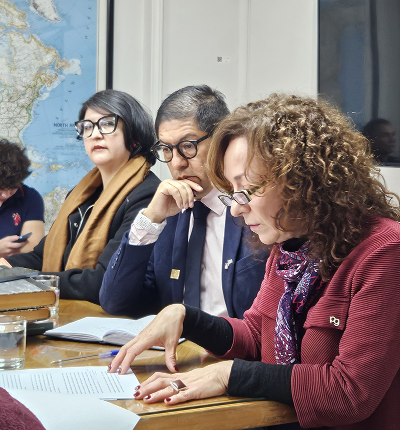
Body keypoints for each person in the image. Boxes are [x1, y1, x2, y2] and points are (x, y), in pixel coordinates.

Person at [109, 94, 400, 430]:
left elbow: (350, 393)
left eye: (247, 190)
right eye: (232, 192)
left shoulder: (385, 251)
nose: (235, 208)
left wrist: (228, 373)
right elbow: (257, 337)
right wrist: (187, 318)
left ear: (302, 181)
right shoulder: (290, 245)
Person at [100, 85, 269, 319]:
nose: (176, 163)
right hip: (179, 350)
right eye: (166, 150)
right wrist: (150, 219)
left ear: (221, 139)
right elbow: (115, 302)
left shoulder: (254, 207)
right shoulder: (168, 213)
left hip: (237, 351)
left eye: (188, 146)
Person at [4, 90, 160, 304]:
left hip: (115, 323)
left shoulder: (148, 194)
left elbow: (101, 281)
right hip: (70, 316)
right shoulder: (81, 195)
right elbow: (42, 255)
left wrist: (21, 278)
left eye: (106, 124)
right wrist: (5, 266)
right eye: (87, 127)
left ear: (133, 135)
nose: (95, 134)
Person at [0, 139, 45, 258]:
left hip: (12, 273)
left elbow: (33, 249)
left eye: (13, 188)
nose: (5, 195)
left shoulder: (30, 197)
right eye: (1, 188)